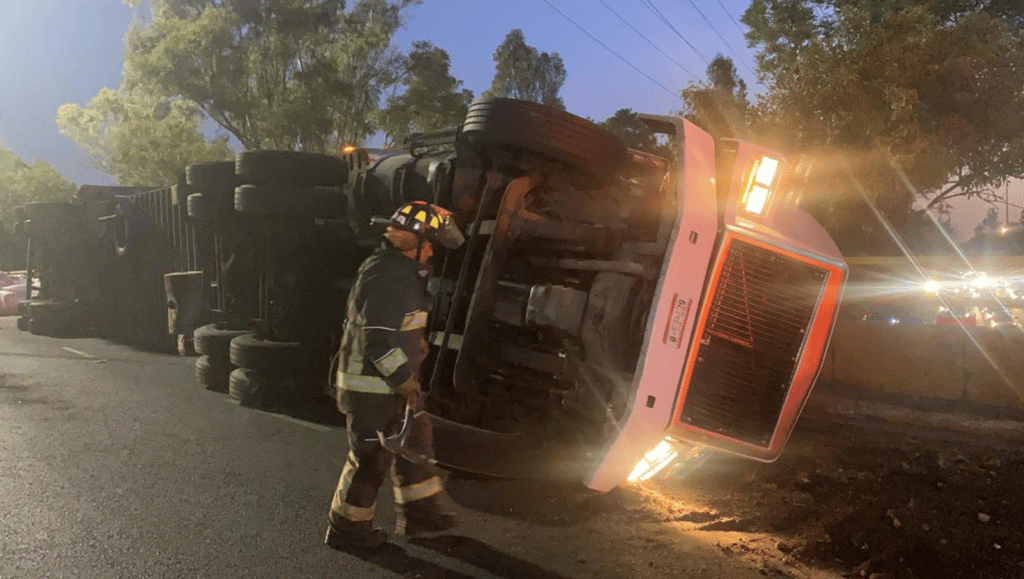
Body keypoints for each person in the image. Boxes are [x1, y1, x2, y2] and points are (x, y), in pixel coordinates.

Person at [325, 201, 464, 550]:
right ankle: (347, 529)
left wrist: (414, 352)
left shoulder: (394, 270)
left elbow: (395, 329)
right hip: (373, 387)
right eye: (429, 241)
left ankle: (422, 514)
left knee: (416, 438)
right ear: (410, 241)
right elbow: (377, 338)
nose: (432, 249)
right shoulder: (393, 275)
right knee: (371, 457)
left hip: (389, 385)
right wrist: (403, 379)